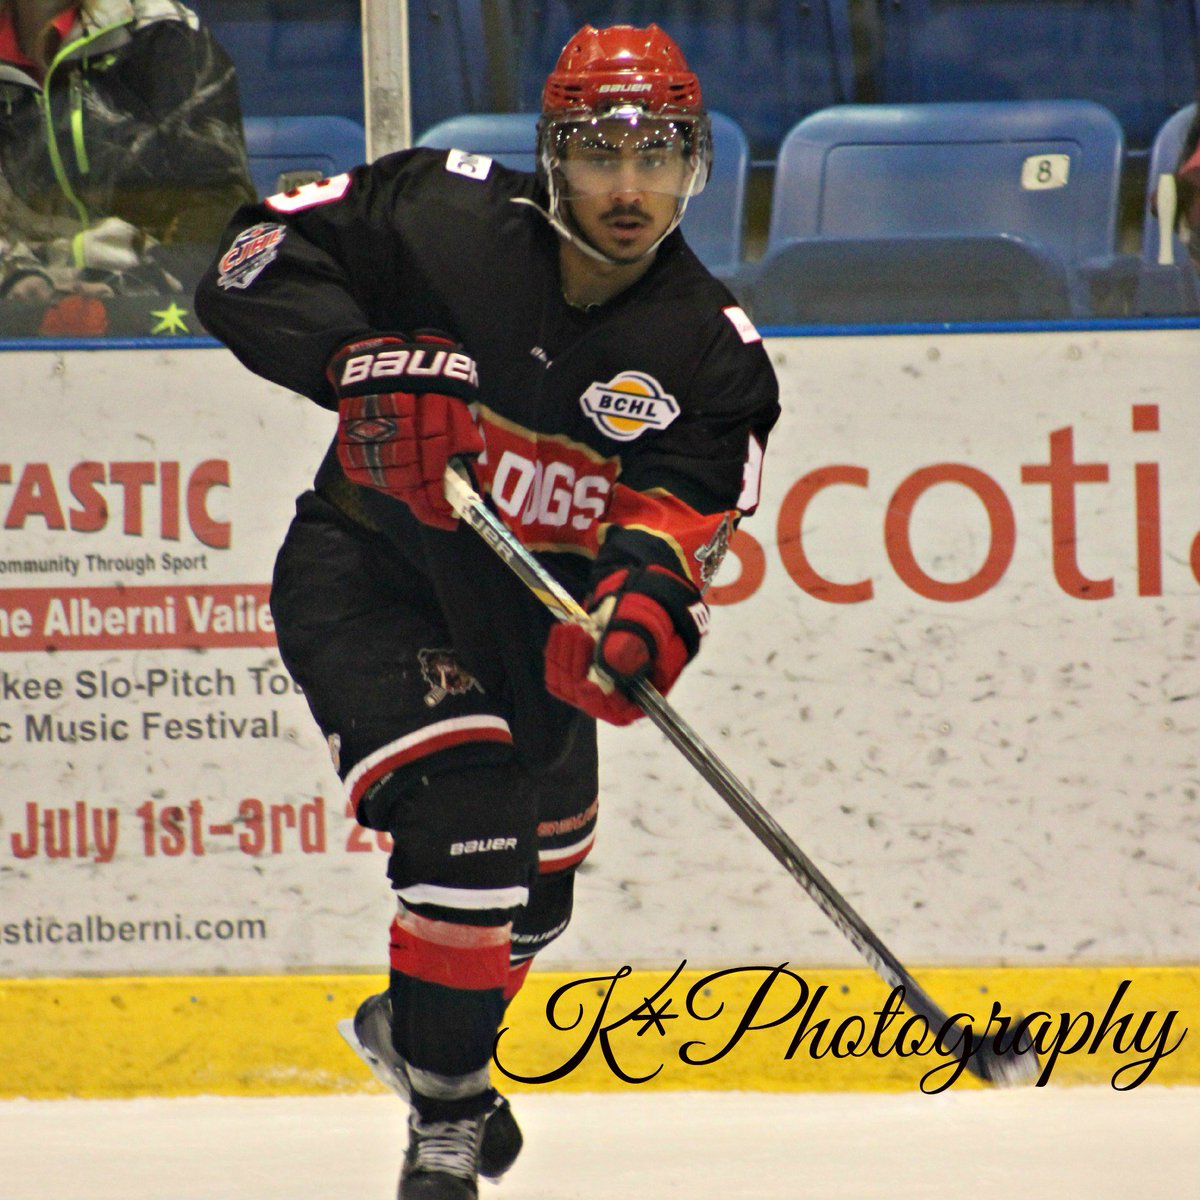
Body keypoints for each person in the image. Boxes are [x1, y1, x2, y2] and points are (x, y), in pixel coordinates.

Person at [195, 23, 779, 1200]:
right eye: (602, 156)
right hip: (371, 575)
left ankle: (418, 1031)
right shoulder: (434, 212)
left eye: (658, 159)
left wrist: (633, 622)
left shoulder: (714, 360)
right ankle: (447, 1125)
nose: (630, 189)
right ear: (551, 158)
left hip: (528, 618)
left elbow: (678, 532)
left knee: (534, 900)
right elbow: (245, 261)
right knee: (470, 829)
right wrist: (360, 361)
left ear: (695, 167)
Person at [0, 0, 254, 317]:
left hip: (156, 314)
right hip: (13, 317)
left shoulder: (161, 33)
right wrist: (22, 276)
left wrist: (129, 283)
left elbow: (216, 209)